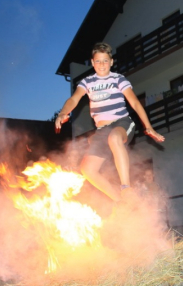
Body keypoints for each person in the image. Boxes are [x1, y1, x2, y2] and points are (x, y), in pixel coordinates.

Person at [55, 42, 165, 202]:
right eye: (98, 61)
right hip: (101, 130)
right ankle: (120, 202)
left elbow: (134, 102)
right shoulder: (87, 82)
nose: (102, 64)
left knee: (114, 138)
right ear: (92, 63)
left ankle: (126, 188)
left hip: (121, 123)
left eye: (105, 60)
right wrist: (63, 113)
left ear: (111, 62)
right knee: (87, 169)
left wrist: (149, 127)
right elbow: (74, 99)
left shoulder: (118, 79)